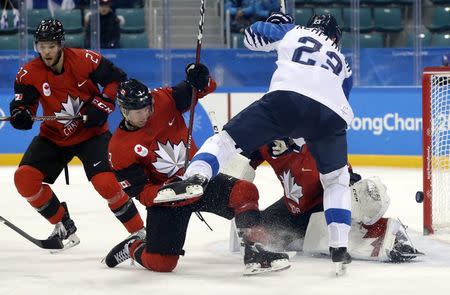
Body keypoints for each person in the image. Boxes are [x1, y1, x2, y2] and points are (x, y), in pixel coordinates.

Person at [156, 13, 354, 272]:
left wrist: (276, 25)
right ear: (336, 38)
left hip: (287, 100)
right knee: (337, 180)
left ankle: (196, 177)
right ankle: (339, 247)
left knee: (226, 141)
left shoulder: (293, 31)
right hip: (332, 116)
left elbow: (252, 37)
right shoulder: (344, 65)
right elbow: (338, 100)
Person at [103, 69, 290, 275]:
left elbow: (207, 87)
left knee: (244, 191)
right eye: (138, 112)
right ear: (123, 111)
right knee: (162, 264)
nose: (145, 114)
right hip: (167, 202)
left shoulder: (163, 99)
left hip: (198, 182)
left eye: (147, 108)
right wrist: (171, 191)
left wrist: (200, 77)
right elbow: (142, 193)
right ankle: (134, 247)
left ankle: (256, 252)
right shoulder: (118, 148)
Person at [9, 19, 144, 250]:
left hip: (92, 134)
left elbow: (118, 80)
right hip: (53, 137)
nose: (47, 51)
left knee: (107, 184)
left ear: (61, 44)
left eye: (51, 46)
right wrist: (19, 114)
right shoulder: (28, 73)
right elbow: (24, 105)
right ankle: (62, 223)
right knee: (24, 179)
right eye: (42, 46)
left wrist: (102, 106)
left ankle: (140, 233)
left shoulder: (84, 60)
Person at [230, 139, 423, 262]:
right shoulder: (265, 139)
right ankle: (305, 236)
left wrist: (355, 197)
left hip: (323, 205)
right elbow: (242, 166)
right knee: (249, 236)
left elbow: (345, 177)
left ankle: (383, 234)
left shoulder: (320, 140)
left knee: (366, 192)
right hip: (291, 209)